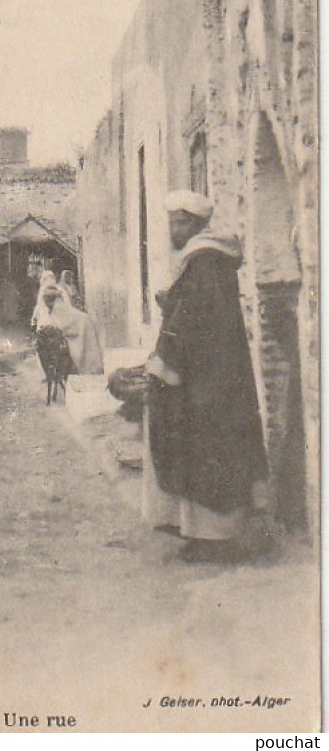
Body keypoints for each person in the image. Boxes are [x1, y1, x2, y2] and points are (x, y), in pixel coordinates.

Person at [144, 190, 269, 563]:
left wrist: (166, 361)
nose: (172, 229)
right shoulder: (208, 260)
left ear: (194, 225)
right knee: (215, 449)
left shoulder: (202, 262)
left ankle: (214, 539)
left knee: (203, 451)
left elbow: (194, 320)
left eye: (178, 223)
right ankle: (206, 534)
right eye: (171, 222)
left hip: (204, 378)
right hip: (218, 372)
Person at [32, 279, 102, 379]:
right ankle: (89, 369)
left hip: (60, 354)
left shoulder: (50, 315)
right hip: (65, 355)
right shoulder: (74, 316)